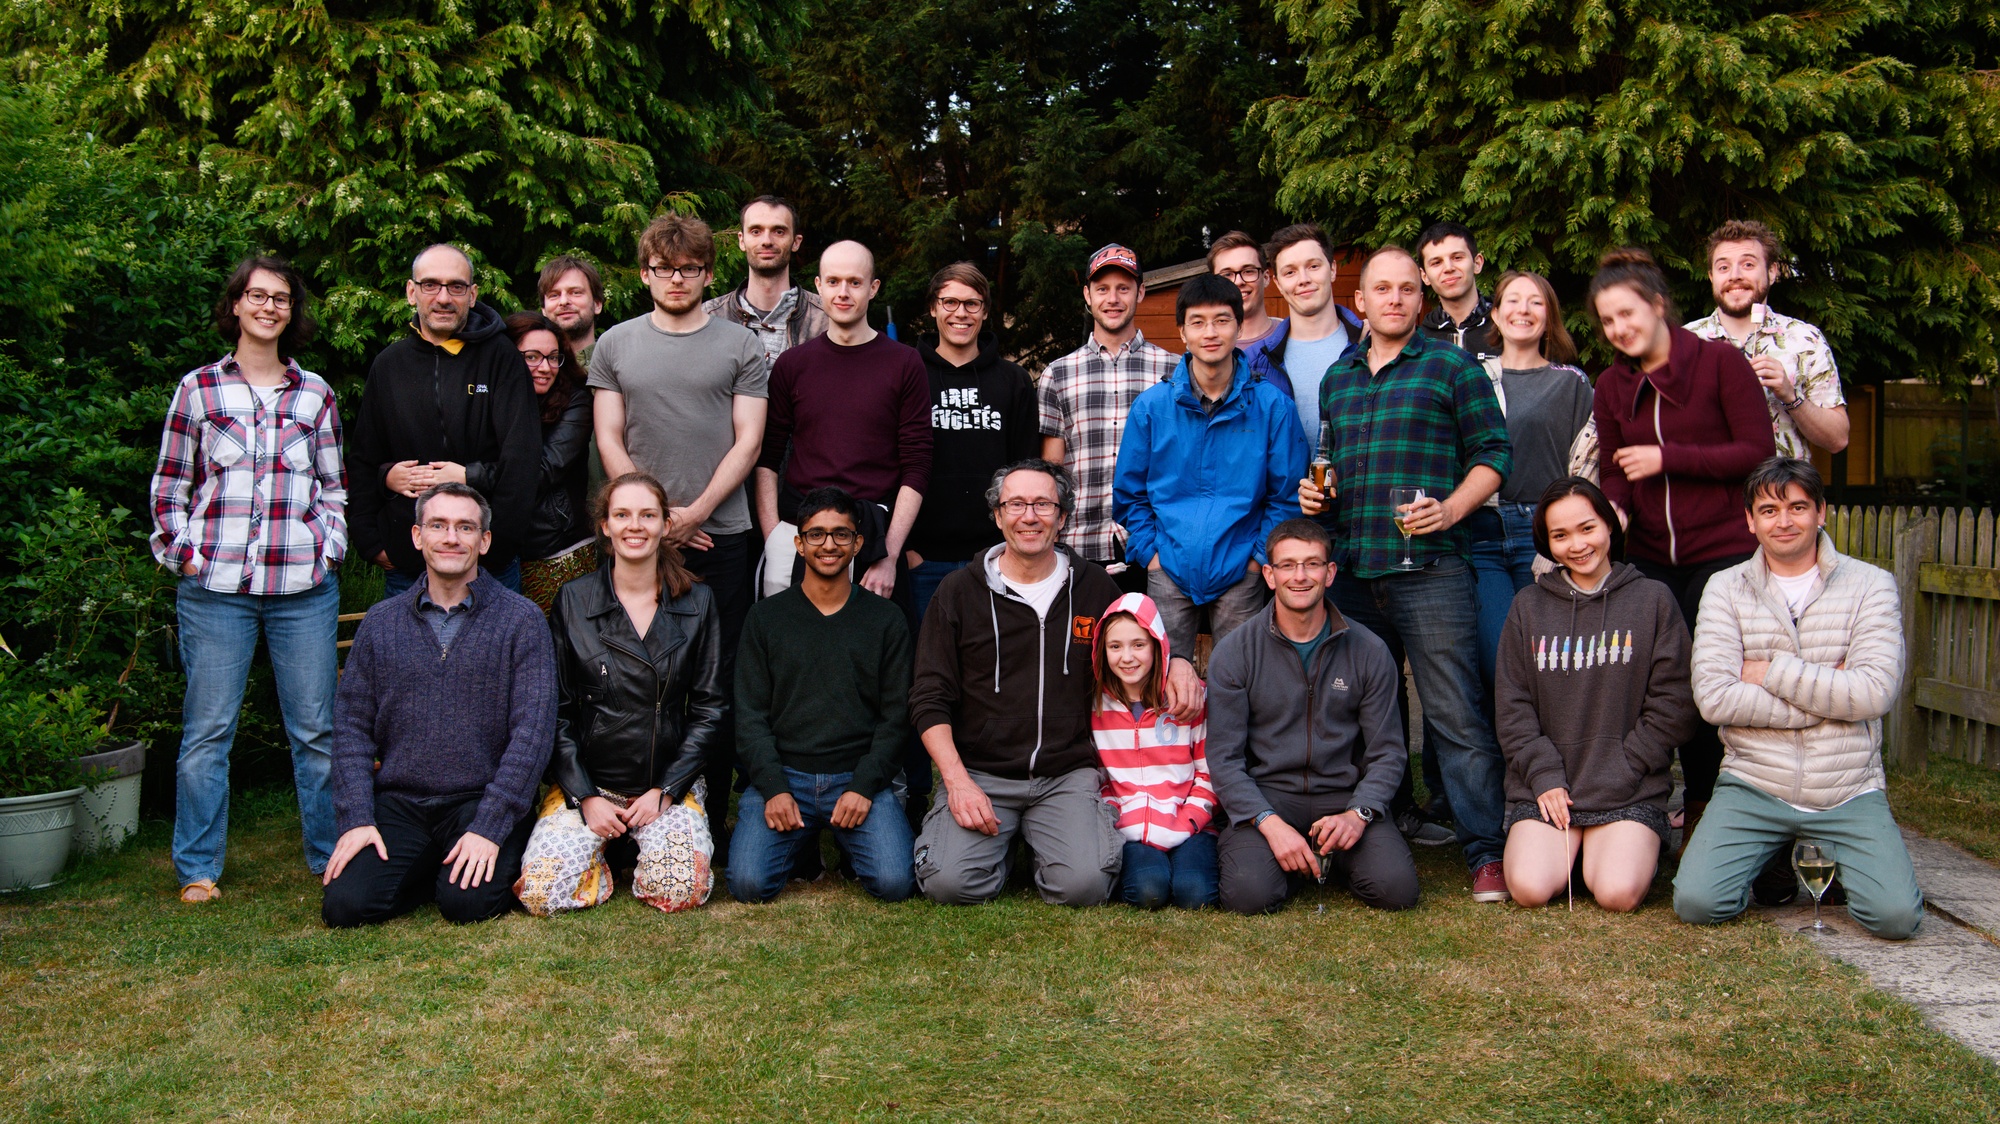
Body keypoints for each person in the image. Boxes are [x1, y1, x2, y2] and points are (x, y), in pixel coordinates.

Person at [1298, 245, 1514, 900]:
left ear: (1421, 300)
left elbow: (1494, 454)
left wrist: (1450, 509)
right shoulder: (1338, 378)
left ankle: (1486, 852)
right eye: (1381, 289)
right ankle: (1379, 829)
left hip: (1432, 570)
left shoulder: (1452, 366)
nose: (1394, 299)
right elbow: (1329, 463)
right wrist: (1317, 498)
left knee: (1454, 715)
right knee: (1366, 715)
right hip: (1356, 571)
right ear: (1359, 301)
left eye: (1406, 289)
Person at [909, 460, 1199, 906]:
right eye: (1016, 504)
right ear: (998, 515)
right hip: (982, 773)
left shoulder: (1095, 588)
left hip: (1066, 774)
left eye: (1043, 504)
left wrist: (1177, 660)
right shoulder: (957, 591)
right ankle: (999, 843)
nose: (1029, 516)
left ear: (1062, 517)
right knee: (950, 884)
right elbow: (929, 697)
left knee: (1083, 887)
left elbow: (1140, 646)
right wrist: (957, 781)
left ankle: (1039, 838)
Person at [149, 256, 347, 903]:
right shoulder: (199, 389)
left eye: (280, 298)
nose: (268, 307)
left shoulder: (315, 394)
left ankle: (331, 856)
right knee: (208, 734)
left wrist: (329, 549)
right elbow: (169, 485)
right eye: (257, 295)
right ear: (235, 304)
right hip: (215, 590)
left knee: (316, 733)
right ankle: (198, 868)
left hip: (302, 589)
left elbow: (334, 486)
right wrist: (183, 554)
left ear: (292, 312)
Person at [1675, 458, 1923, 940]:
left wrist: (1769, 672)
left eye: (1797, 507)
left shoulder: (1871, 584)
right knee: (1698, 903)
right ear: (1750, 521)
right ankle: (1774, 848)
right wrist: (1830, 699)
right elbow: (1714, 700)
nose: (1783, 521)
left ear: (1821, 512)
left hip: (1846, 786)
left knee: (1895, 918)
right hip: (1754, 782)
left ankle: (1821, 847)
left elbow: (1874, 693)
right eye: (1768, 510)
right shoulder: (1724, 588)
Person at [590, 212, 768, 858]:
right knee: (628, 681)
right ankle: (623, 817)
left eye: (690, 269)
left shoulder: (741, 346)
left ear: (708, 274)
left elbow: (749, 441)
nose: (676, 279)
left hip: (721, 537)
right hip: (637, 542)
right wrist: (654, 519)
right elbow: (609, 436)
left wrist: (695, 513)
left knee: (711, 683)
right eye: (664, 269)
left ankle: (706, 821)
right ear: (645, 273)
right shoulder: (615, 344)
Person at [1587, 247, 1775, 844]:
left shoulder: (1720, 364)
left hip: (1722, 552)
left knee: (1710, 681)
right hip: (1648, 557)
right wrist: (1614, 509)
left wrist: (1668, 458)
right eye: (1608, 320)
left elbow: (1757, 452)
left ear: (1658, 305)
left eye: (1627, 313)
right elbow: (1615, 469)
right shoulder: (1611, 385)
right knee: (1655, 683)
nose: (1619, 329)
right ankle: (1641, 807)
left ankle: (1707, 813)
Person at [321, 483, 555, 927]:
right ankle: (430, 865)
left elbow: (533, 733)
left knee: (466, 904)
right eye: (438, 525)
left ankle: (448, 869)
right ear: (417, 536)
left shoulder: (521, 620)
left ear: (484, 541)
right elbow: (351, 729)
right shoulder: (381, 623)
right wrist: (356, 819)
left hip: (481, 798)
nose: (451, 538)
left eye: (465, 527)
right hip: (401, 803)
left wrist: (490, 826)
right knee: (346, 906)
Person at [514, 473, 725, 915]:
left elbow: (710, 710)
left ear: (666, 525)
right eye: (622, 515)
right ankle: (606, 849)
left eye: (647, 515)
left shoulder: (698, 602)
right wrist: (585, 796)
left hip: (665, 784)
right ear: (605, 526)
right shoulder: (573, 600)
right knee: (540, 893)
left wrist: (666, 790)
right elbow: (556, 711)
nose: (635, 526)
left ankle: (641, 844)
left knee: (678, 891)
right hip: (591, 785)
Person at [1495, 478, 1696, 911]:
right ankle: (1571, 851)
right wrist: (1544, 776)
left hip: (1628, 785)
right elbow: (1513, 707)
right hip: (1549, 789)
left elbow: (1674, 704)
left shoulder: (1653, 600)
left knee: (1616, 893)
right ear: (1546, 542)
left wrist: (1626, 767)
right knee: (1529, 889)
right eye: (1560, 535)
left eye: (1587, 528)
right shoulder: (1528, 606)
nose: (1577, 545)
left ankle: (1611, 851)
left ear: (1608, 525)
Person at [1206, 519, 1420, 914]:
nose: (1300, 576)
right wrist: (1269, 823)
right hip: (1269, 797)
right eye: (1287, 565)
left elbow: (1388, 752)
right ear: (1269, 575)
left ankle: (1329, 855)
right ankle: (1299, 855)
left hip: (1344, 796)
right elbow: (1223, 758)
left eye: (1312, 564)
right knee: (1248, 895)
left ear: (1330, 572)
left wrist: (1359, 814)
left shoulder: (1369, 650)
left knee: (1397, 890)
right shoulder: (1235, 652)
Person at [727, 488, 915, 904]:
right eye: (816, 534)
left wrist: (864, 785)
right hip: (786, 774)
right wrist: (773, 787)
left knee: (894, 883)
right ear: (799, 543)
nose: (829, 544)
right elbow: (750, 715)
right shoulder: (766, 618)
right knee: (748, 885)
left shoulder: (885, 619)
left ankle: (844, 842)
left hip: (855, 774)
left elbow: (896, 716)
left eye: (841, 534)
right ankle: (800, 844)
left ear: (858, 543)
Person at [1114, 273, 1307, 659]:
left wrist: (1257, 561)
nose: (1210, 332)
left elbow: (1286, 497)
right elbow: (1129, 494)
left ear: (1239, 326)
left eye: (1221, 320)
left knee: (1240, 678)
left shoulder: (1273, 407)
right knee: (1164, 677)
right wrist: (1152, 555)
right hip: (1167, 567)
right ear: (1182, 332)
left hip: (1242, 569)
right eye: (1198, 322)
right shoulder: (1151, 407)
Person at [346, 243, 541, 596]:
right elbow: (363, 459)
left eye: (456, 287)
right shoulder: (389, 365)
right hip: (409, 565)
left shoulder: (502, 359)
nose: (443, 298)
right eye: (431, 285)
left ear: (472, 294)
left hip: (489, 565)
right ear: (412, 292)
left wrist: (497, 546)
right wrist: (371, 542)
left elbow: (522, 461)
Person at [754, 240, 930, 606]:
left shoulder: (905, 363)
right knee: (792, 640)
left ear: (873, 288)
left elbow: (917, 465)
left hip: (873, 541)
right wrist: (773, 537)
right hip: (800, 535)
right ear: (818, 286)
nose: (843, 292)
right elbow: (767, 458)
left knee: (874, 641)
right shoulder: (793, 365)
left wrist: (890, 555)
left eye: (855, 282)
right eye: (833, 281)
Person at [1467, 272, 1594, 691]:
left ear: (1549, 316)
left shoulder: (1570, 382)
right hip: (1481, 531)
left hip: (1543, 532)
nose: (1523, 310)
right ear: (1495, 315)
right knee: (1497, 659)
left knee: (1547, 660)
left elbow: (1587, 465)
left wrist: (1567, 533)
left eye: (1536, 302)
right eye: (1513, 301)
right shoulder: (1472, 379)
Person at [1037, 244, 1178, 594]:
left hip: (1156, 546)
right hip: (1079, 543)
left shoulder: (1174, 371)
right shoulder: (1058, 374)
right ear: (1087, 295)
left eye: (1123, 288)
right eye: (1102, 289)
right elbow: (1052, 469)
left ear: (1140, 293)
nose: (1112, 299)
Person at [908, 262, 1040, 621]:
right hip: (923, 560)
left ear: (984, 311)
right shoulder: (908, 374)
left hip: (996, 558)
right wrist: (907, 550)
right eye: (950, 302)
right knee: (928, 654)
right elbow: (891, 463)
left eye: (972, 303)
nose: (961, 313)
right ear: (933, 307)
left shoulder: (1014, 381)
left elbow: (1026, 469)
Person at [1091, 593, 1217, 910]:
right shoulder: (1095, 707)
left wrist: (1187, 821)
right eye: (1115, 647)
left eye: (1138, 645)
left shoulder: (1189, 698)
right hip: (1130, 829)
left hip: (1189, 823)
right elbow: (1098, 778)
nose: (1127, 657)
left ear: (1157, 646)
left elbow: (1208, 773)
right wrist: (1120, 818)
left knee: (1195, 893)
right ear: (1102, 651)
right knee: (1150, 890)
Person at [1686, 220, 1850, 459]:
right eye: (1723, 267)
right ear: (1711, 276)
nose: (1735, 276)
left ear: (1772, 272)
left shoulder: (1805, 339)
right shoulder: (1684, 343)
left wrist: (1790, 396)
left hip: (1784, 484)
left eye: (1748, 264)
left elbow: (1837, 439)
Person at [502, 311, 594, 612]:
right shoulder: (492, 401)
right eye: (532, 357)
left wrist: (469, 474)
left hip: (556, 547)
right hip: (498, 547)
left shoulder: (575, 400)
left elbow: (543, 471)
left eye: (553, 357)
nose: (545, 368)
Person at [1255, 223, 1364, 437]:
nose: (1303, 279)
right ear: (1278, 283)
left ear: (1332, 269)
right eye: (1290, 272)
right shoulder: (1257, 362)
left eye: (1313, 266)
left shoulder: (1370, 344)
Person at [703, 195, 830, 364]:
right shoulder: (709, 318)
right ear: (742, 240)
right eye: (756, 231)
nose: (767, 241)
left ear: (796, 242)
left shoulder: (826, 320)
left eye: (779, 232)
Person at [1416, 222, 1494, 357]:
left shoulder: (1507, 327)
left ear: (1477, 263)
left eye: (1457, 258)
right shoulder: (1419, 342)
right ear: (1425, 276)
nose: (1448, 268)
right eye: (1436, 262)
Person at [1207, 230, 1279, 349]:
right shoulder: (1201, 349)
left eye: (1248, 271)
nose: (1239, 282)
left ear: (1266, 278)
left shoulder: (1292, 336)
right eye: (1227, 274)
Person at [538, 254, 606, 361]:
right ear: (544, 309)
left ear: (597, 304)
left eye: (575, 293)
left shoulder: (615, 364)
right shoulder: (525, 367)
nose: (563, 301)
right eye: (554, 295)